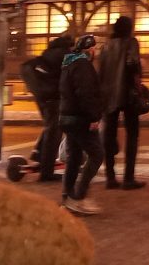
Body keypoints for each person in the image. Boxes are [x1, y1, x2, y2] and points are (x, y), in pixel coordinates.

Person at [97, 15, 146, 191]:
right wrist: (138, 77)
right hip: (128, 94)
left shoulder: (106, 46)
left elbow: (100, 72)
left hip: (108, 95)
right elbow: (132, 63)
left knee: (109, 136)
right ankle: (128, 178)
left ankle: (110, 178)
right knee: (132, 135)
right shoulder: (130, 42)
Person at [59, 34, 103, 215]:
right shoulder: (83, 65)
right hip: (80, 119)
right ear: (89, 50)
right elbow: (86, 94)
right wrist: (94, 117)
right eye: (94, 49)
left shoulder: (68, 64)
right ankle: (79, 197)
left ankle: (68, 197)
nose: (95, 52)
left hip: (67, 117)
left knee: (74, 158)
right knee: (97, 154)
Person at [21, 34, 74, 182]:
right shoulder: (65, 54)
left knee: (50, 128)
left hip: (43, 97)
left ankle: (39, 156)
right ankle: (46, 172)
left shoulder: (48, 53)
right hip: (54, 97)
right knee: (54, 133)